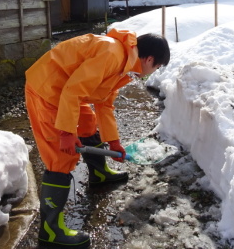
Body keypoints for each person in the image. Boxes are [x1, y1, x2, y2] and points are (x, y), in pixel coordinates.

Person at [25, 29, 170, 248]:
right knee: (60, 156)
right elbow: (73, 91)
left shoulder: (125, 64)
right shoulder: (111, 54)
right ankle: (50, 232)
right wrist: (66, 133)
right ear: (149, 59)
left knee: (87, 123)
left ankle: (99, 174)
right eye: (156, 67)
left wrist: (113, 142)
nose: (152, 72)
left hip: (65, 89)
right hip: (48, 90)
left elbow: (104, 103)